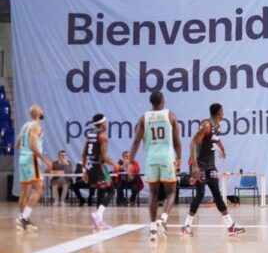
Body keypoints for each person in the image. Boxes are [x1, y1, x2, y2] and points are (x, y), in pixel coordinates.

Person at [182, 103, 245, 237]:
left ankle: (230, 226)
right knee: (200, 194)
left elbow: (216, 139)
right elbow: (193, 143)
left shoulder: (218, 126)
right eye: (222, 111)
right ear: (218, 113)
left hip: (210, 166)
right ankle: (186, 226)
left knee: (217, 193)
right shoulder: (206, 125)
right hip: (199, 164)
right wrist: (194, 165)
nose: (223, 114)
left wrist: (222, 148)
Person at [129, 91, 182, 242]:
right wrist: (179, 157)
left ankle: (152, 227)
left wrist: (130, 161)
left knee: (153, 194)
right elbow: (177, 140)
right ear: (163, 101)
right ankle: (163, 219)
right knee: (171, 193)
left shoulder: (144, 118)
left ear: (151, 102)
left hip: (151, 158)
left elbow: (136, 141)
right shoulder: (170, 116)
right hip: (166, 158)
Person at [15, 105, 52, 231]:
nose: (43, 110)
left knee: (25, 191)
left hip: (22, 159)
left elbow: (17, 144)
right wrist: (45, 159)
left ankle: (22, 218)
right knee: (39, 190)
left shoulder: (25, 126)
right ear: (38, 113)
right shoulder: (36, 126)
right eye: (41, 109)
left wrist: (25, 153)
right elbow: (32, 145)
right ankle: (24, 218)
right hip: (32, 159)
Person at [82, 114, 117, 230]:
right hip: (99, 166)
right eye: (106, 122)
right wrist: (115, 164)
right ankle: (97, 215)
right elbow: (104, 156)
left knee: (101, 192)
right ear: (102, 123)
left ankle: (98, 222)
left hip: (90, 166)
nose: (107, 123)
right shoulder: (102, 136)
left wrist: (84, 170)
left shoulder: (90, 134)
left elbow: (84, 154)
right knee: (111, 191)